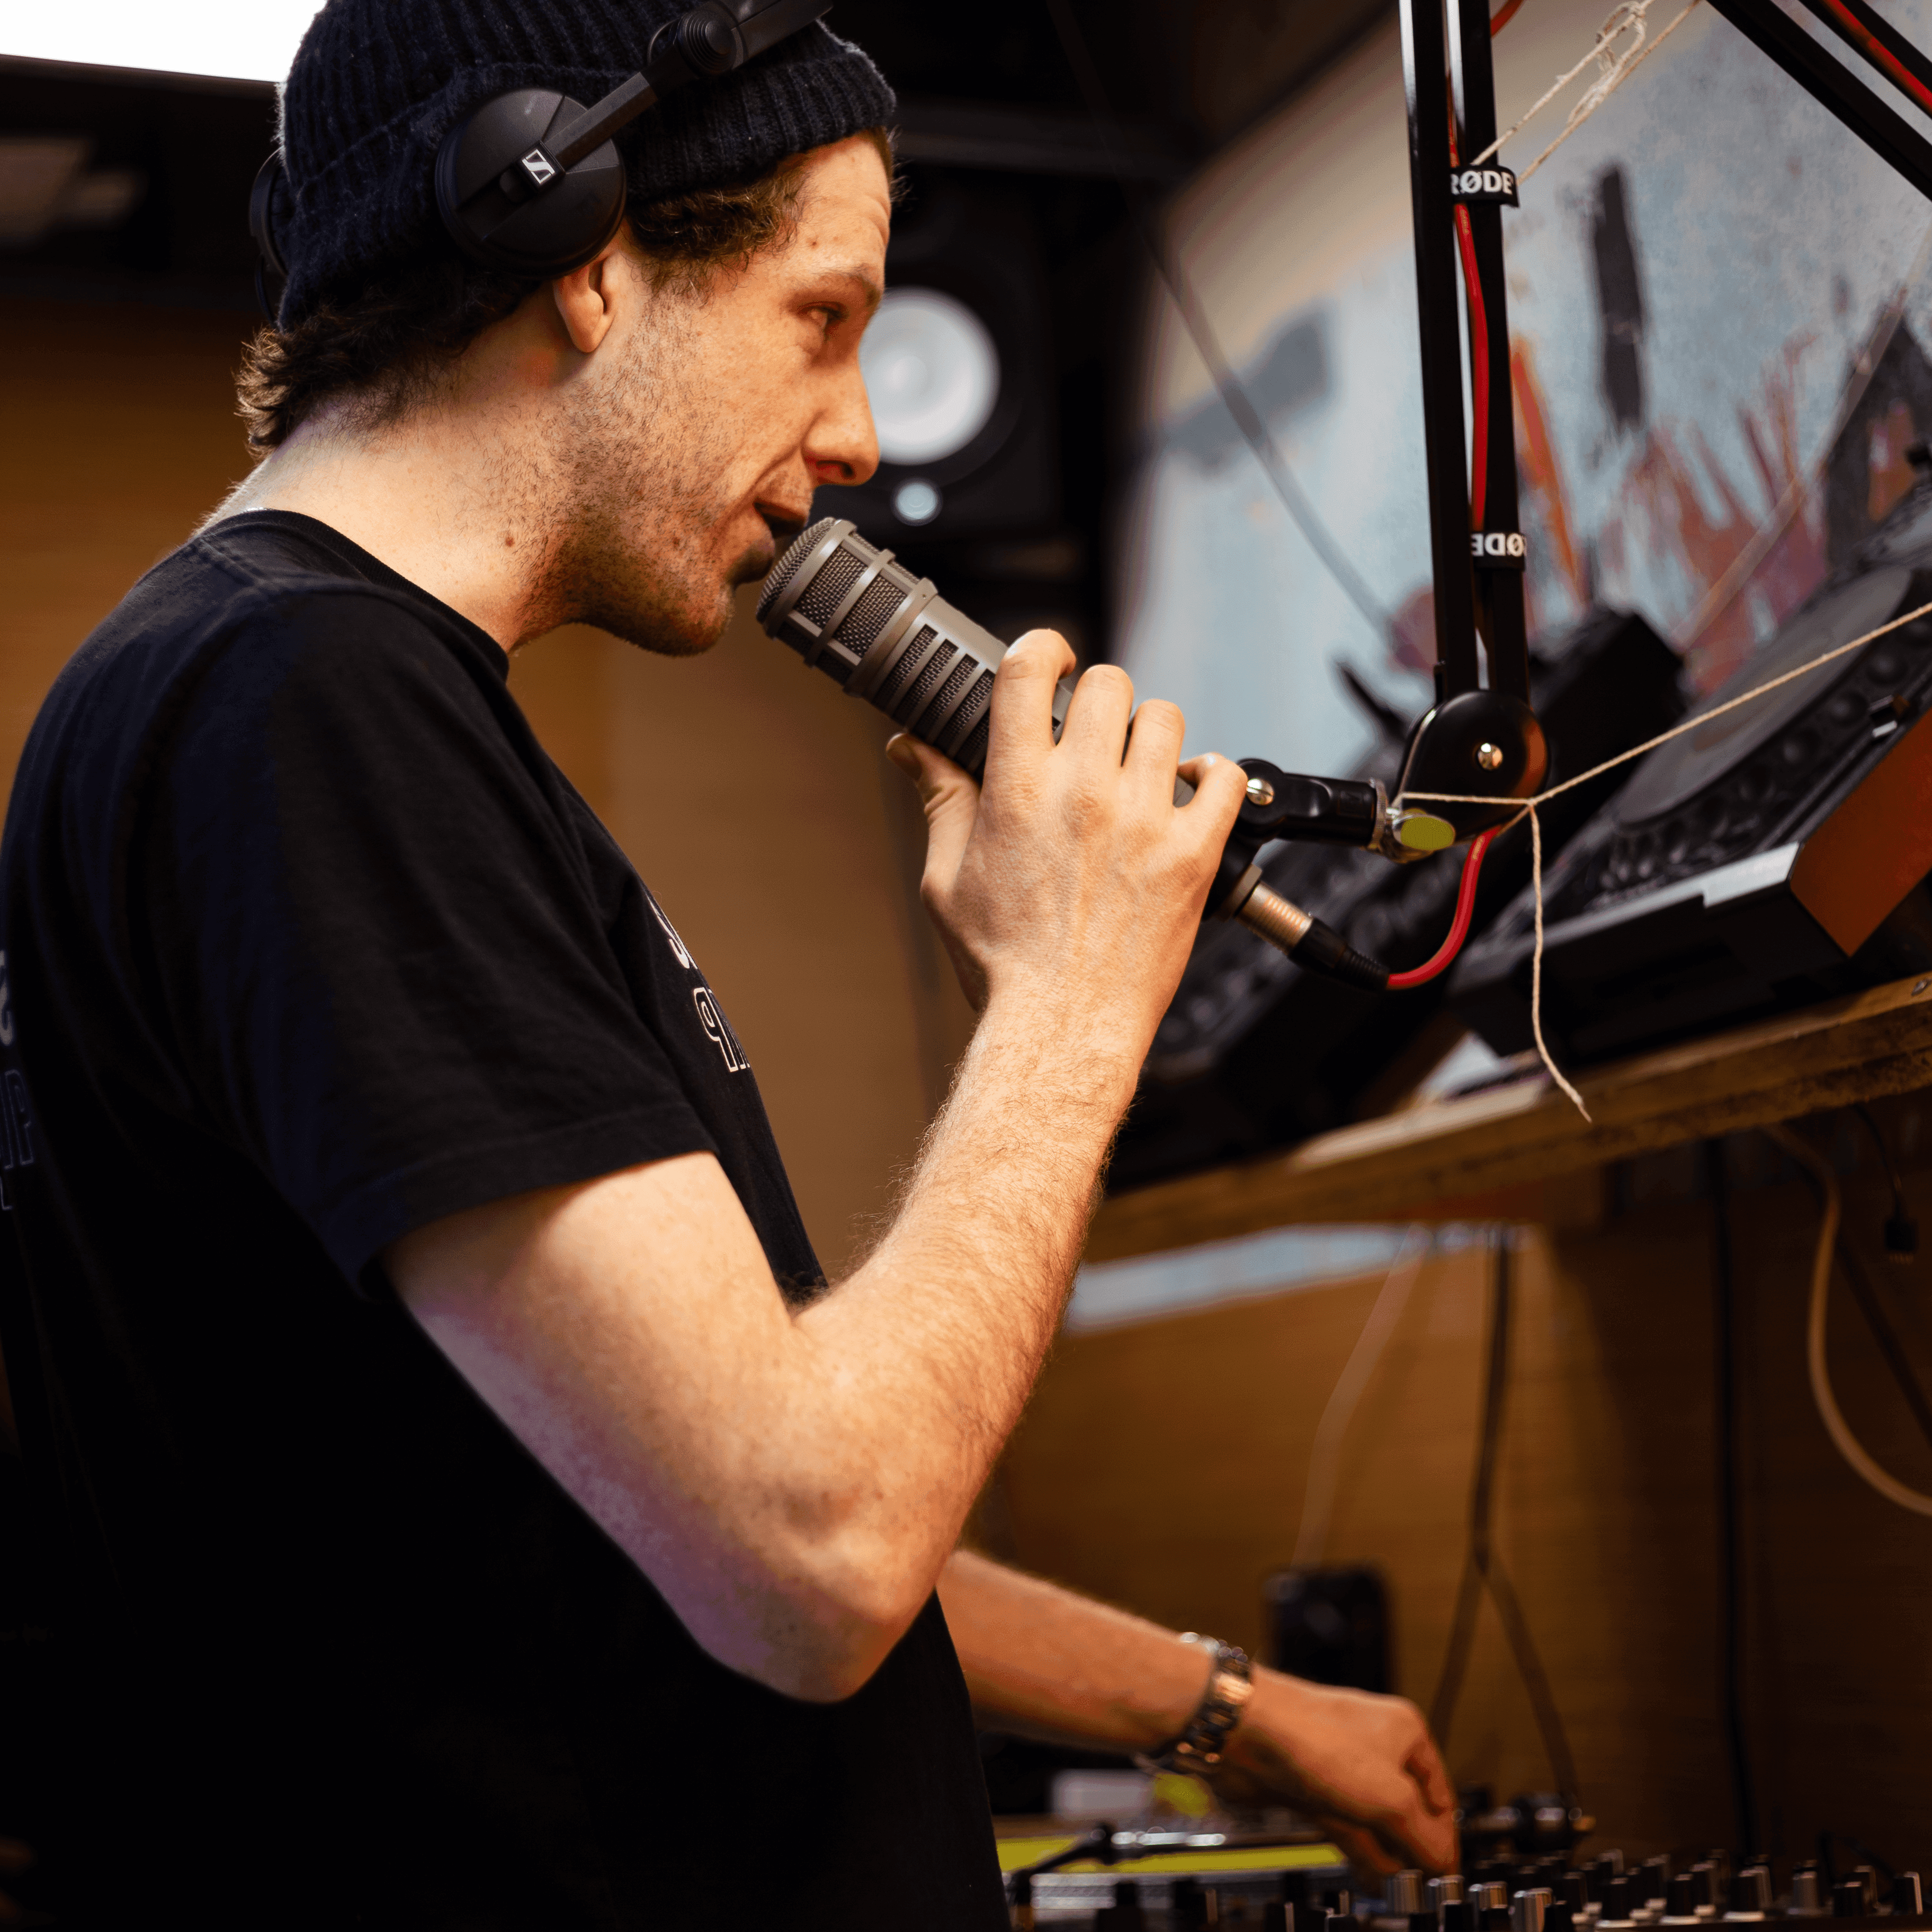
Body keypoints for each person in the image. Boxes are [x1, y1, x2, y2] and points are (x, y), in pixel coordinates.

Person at [0, 2, 1455, 1925]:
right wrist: (1075, 991)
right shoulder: (306, 707)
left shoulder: (293, 699)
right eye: (823, 316)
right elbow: (807, 1550)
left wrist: (1219, 1705)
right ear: (589, 256)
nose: (856, 435)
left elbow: (623, 1484)